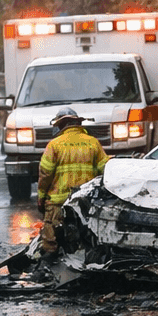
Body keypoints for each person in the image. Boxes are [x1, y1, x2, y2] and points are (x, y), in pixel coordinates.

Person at [36, 107, 108, 256]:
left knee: (50, 241)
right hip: (85, 202)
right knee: (88, 240)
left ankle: (49, 262)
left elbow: (45, 174)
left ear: (61, 125)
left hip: (58, 203)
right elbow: (105, 170)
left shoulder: (54, 145)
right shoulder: (93, 143)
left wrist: (41, 197)